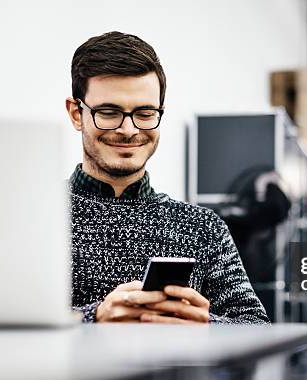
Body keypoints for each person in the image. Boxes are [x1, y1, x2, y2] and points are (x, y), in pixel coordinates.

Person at [65, 31, 269, 324]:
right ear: (75, 113)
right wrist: (94, 318)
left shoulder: (203, 229)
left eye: (145, 113)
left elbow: (257, 329)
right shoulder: (34, 221)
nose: (129, 130)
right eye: (109, 112)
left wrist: (207, 324)